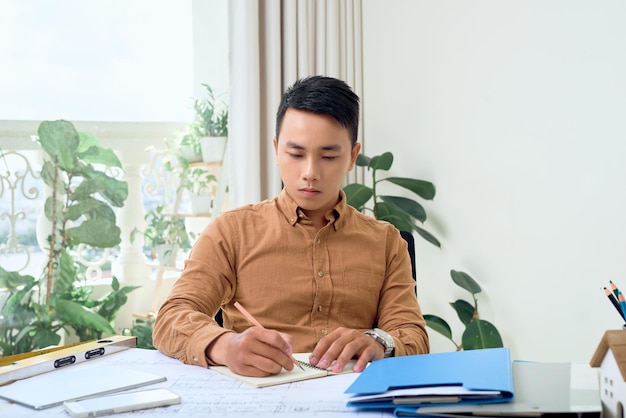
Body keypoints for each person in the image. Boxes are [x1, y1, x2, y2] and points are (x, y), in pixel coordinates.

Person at [153, 75, 429, 377]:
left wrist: (379, 342)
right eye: (296, 154)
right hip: (262, 396)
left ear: (352, 156)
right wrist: (225, 345)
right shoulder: (232, 232)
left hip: (354, 397)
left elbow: (411, 334)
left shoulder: (386, 242)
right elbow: (171, 317)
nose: (310, 173)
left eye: (328, 156)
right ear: (276, 149)